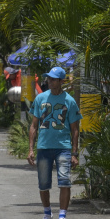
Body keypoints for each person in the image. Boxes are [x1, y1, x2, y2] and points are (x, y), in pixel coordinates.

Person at [27, 67, 82, 219]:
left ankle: (62, 215)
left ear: (61, 81)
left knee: (65, 182)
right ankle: (47, 212)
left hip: (63, 148)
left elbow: (75, 129)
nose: (49, 81)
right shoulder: (40, 99)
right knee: (43, 184)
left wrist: (75, 153)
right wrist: (30, 149)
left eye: (53, 79)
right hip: (43, 147)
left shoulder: (69, 101)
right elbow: (33, 126)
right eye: (48, 79)